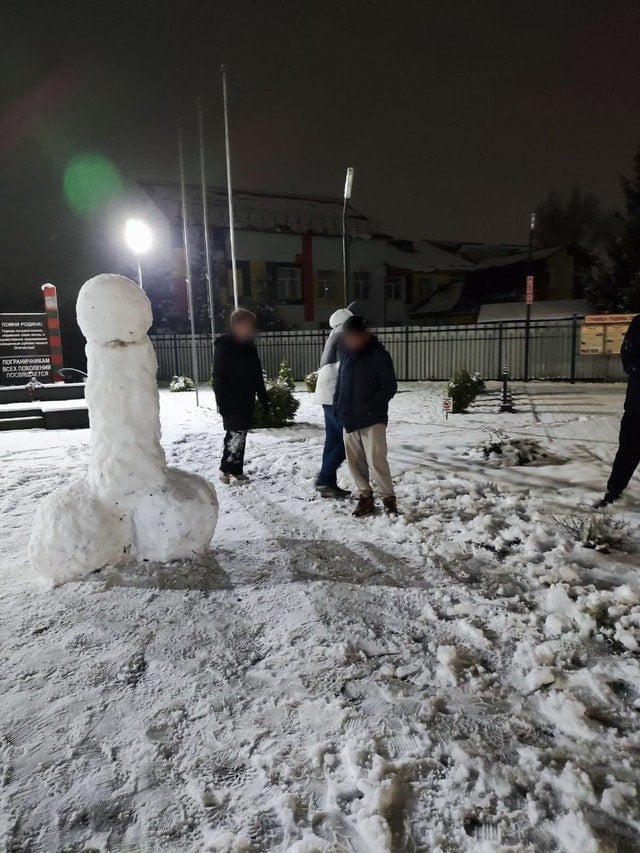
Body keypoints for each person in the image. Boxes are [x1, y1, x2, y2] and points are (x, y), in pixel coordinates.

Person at [334, 315, 398, 517]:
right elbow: (340, 382)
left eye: (353, 335)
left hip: (372, 418)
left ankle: (388, 498)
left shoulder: (378, 354)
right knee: (354, 461)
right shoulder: (345, 354)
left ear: (363, 334)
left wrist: (372, 407)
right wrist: (337, 404)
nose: (350, 339)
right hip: (349, 416)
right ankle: (364, 497)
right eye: (348, 336)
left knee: (376, 460)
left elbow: (389, 386)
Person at [212, 308, 269, 484]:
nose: (250, 329)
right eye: (246, 325)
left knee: (241, 433)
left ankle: (236, 469)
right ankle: (225, 468)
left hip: (247, 397)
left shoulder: (249, 346)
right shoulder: (224, 346)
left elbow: (256, 373)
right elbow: (218, 376)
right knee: (234, 434)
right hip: (231, 398)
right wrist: (221, 403)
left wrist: (263, 396)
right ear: (236, 324)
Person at [596, 314, 640, 506]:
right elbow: (628, 358)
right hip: (637, 406)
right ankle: (614, 494)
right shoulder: (639, 324)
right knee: (628, 451)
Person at [312, 306, 353, 498]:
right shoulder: (344, 337)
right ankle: (324, 479)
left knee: (332, 440)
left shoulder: (332, 336)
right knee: (347, 442)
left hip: (325, 397)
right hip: (334, 396)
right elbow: (346, 370)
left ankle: (327, 481)